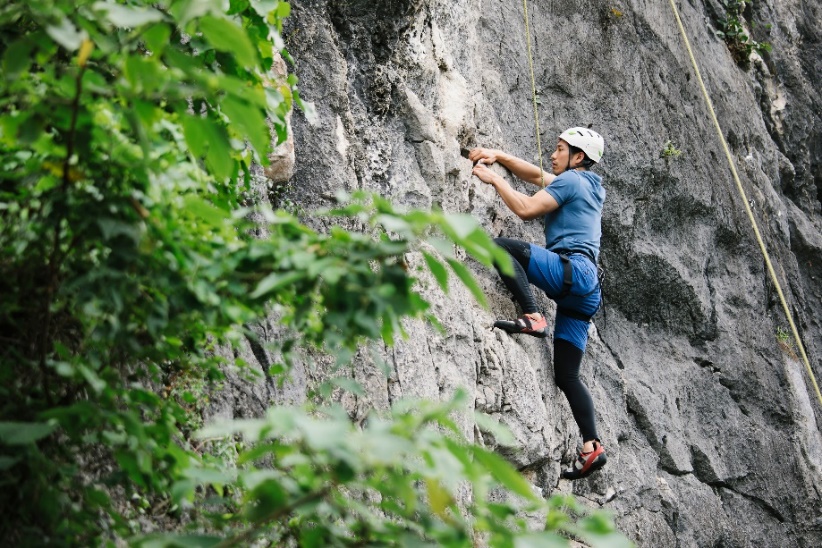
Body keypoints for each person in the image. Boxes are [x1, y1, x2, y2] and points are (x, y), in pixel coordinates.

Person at [469, 128, 607, 480]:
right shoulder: (587, 184)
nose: (552, 155)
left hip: (572, 271)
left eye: (560, 149)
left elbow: (527, 209)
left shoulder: (571, 181)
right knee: (567, 375)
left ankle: (532, 314)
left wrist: (494, 179)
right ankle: (592, 445)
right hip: (586, 290)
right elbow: (535, 175)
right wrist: (500, 155)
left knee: (500, 247)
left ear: (578, 157)